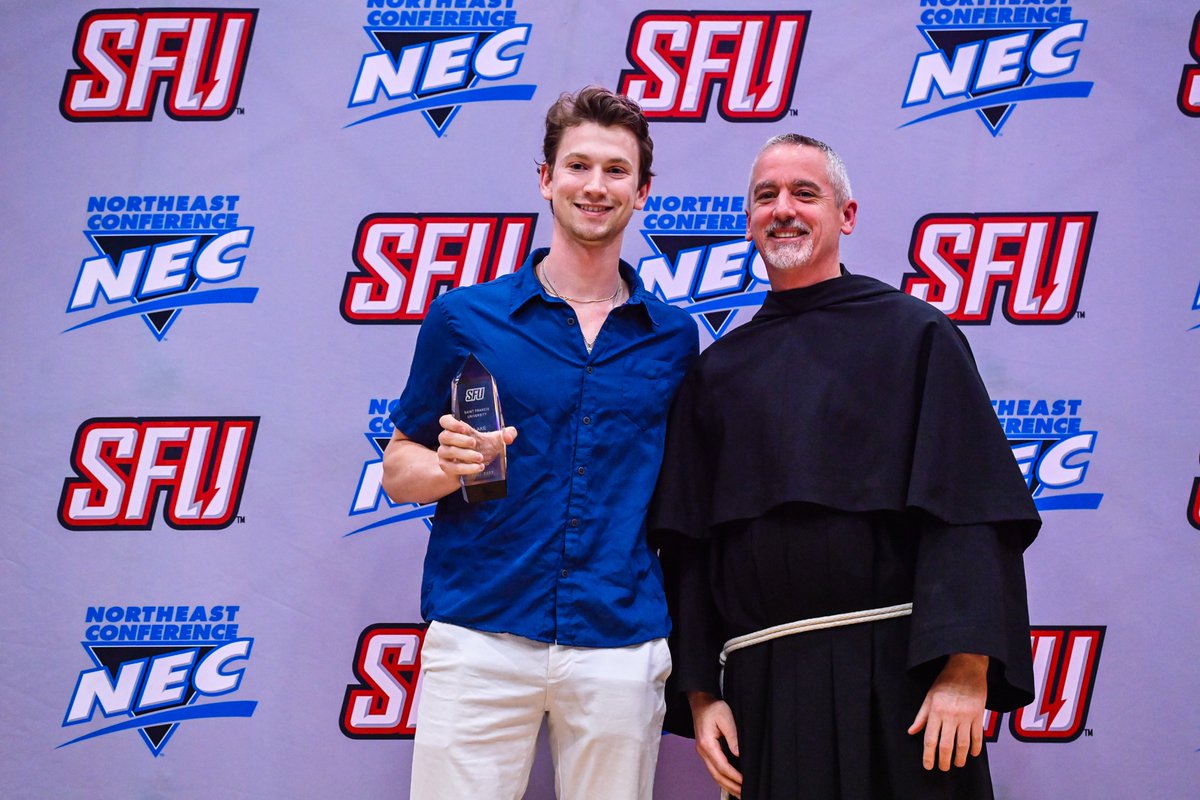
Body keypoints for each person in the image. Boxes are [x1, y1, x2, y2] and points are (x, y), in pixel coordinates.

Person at [651, 134, 1041, 800]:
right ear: (748, 220)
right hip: (764, 693)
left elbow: (970, 509)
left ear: (847, 215)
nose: (784, 209)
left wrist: (966, 668)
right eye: (766, 195)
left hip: (908, 684)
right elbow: (690, 550)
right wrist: (699, 693)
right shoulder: (715, 374)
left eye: (806, 192)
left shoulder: (918, 336)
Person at [381, 86, 698, 800]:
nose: (595, 185)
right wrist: (445, 465)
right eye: (578, 165)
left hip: (618, 639)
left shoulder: (674, 337)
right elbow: (398, 470)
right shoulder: (465, 318)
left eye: (616, 170)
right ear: (545, 178)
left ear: (643, 190)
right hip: (482, 635)